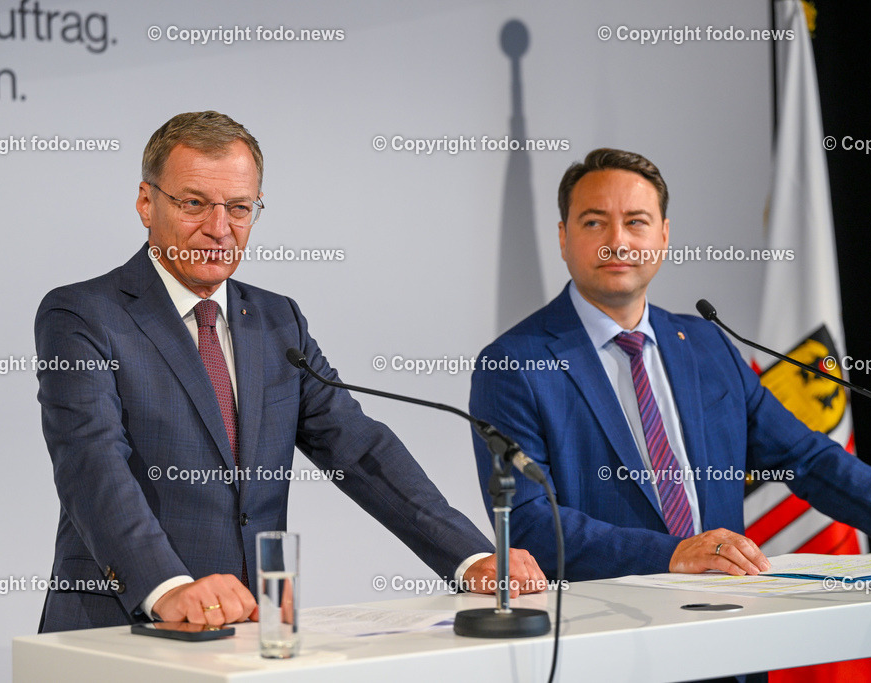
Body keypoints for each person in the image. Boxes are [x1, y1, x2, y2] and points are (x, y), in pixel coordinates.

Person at [35, 111, 544, 633]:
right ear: (147, 202)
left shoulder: (279, 322)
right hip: (116, 625)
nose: (218, 228)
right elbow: (91, 464)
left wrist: (470, 557)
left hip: (251, 627)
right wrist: (168, 587)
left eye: (238, 208)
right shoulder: (83, 315)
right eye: (194, 204)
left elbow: (358, 448)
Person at [469, 147, 871, 582]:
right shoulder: (514, 364)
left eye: (636, 222)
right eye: (594, 222)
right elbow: (527, 522)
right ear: (564, 238)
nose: (617, 242)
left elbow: (804, 458)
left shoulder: (705, 343)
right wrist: (673, 554)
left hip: (727, 617)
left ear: (663, 236)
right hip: (605, 630)